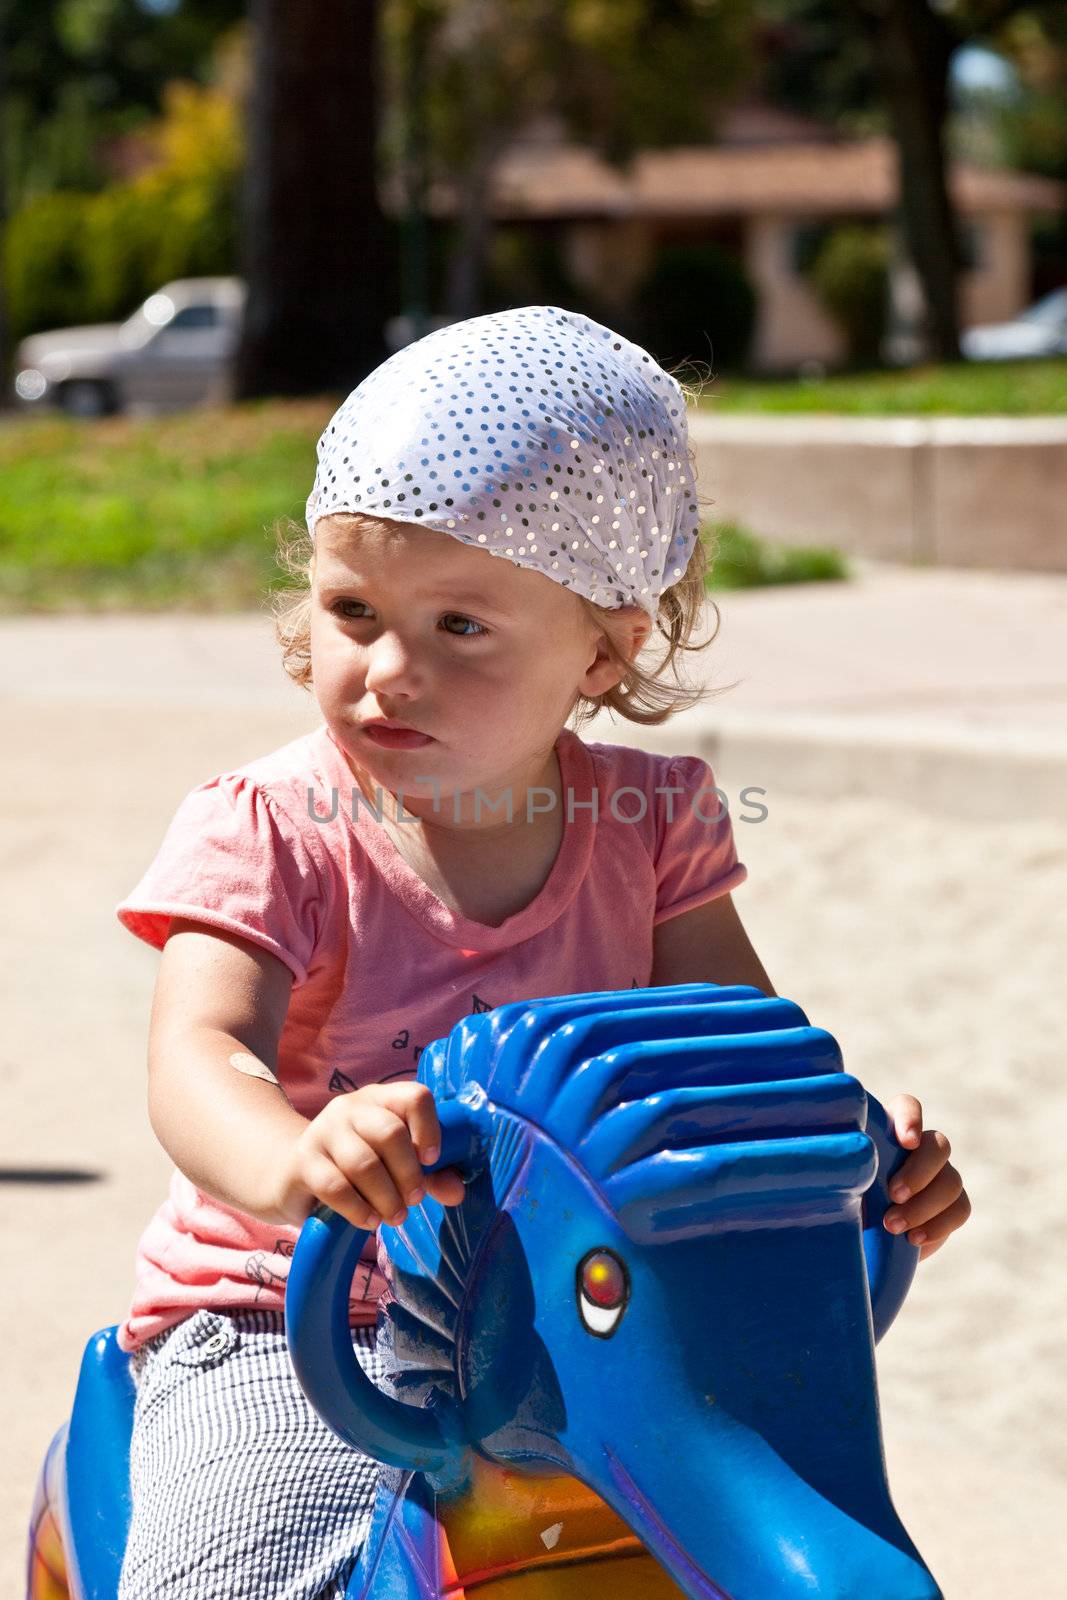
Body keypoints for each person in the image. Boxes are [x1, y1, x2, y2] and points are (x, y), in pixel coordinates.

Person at [113, 305, 970, 1600]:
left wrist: (849, 1158)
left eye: (460, 628)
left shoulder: (653, 825)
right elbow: (199, 1051)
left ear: (606, 648)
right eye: (353, 609)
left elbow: (731, 1053)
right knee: (231, 1575)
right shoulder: (276, 829)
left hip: (563, 1306)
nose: (384, 671)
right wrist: (295, 1161)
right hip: (291, 1319)